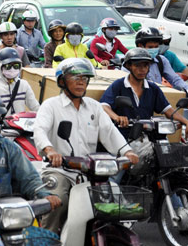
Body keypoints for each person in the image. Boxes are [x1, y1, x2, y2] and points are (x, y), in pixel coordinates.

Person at [33, 58, 139, 234]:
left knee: (115, 205)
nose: (81, 82)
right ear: (62, 81)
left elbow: (109, 131)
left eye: (84, 78)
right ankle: (47, 238)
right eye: (75, 77)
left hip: (90, 172)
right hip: (60, 171)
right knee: (58, 201)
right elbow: (40, 130)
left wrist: (127, 151)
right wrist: (50, 150)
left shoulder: (94, 107)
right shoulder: (51, 106)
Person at [101, 48, 188, 139]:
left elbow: (168, 110)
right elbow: (104, 106)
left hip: (147, 137)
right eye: (138, 66)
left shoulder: (153, 88)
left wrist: (187, 122)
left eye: (146, 65)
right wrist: (117, 117)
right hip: (124, 137)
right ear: (129, 66)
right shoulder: (119, 85)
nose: (142, 69)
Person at [132, 27, 188, 92]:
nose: (154, 49)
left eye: (156, 47)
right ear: (140, 46)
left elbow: (175, 79)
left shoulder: (161, 60)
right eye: (150, 47)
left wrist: (187, 90)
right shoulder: (131, 63)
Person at [0, 47, 40, 115]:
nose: (12, 69)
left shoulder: (23, 84)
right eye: (8, 66)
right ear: (0, 66)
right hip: (1, 124)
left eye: (16, 66)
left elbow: (35, 107)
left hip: (19, 124)